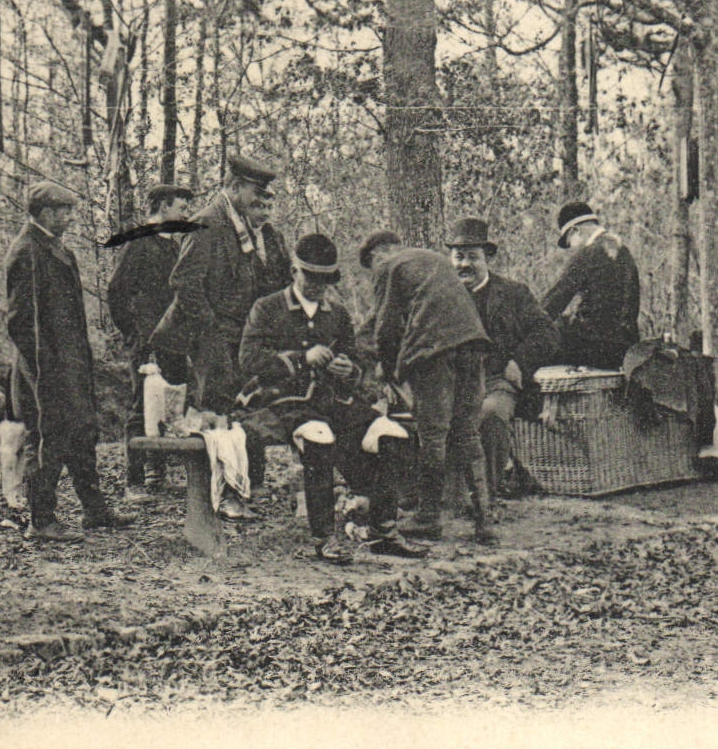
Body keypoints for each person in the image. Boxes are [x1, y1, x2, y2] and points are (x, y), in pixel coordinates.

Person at [238, 233, 429, 564]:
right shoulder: (267, 307)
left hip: (333, 401)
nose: (317, 285)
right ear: (294, 270)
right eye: (310, 276)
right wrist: (301, 357)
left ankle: (382, 531)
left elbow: (357, 366)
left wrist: (346, 368)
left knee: (392, 434)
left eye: (324, 279)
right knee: (319, 437)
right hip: (285, 401)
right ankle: (324, 537)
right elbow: (249, 360)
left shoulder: (337, 314)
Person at [4, 182, 133, 542]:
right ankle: (41, 520)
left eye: (70, 210)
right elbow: (20, 322)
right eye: (63, 211)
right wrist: (43, 370)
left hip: (71, 365)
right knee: (47, 440)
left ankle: (95, 510)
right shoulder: (27, 251)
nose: (70, 217)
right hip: (46, 372)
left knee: (81, 434)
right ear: (43, 212)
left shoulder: (57, 249)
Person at [359, 231, 495, 544]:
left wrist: (390, 370)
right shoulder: (432, 258)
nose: (374, 271)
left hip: (435, 351)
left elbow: (385, 328)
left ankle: (429, 517)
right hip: (473, 343)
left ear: (379, 254)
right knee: (467, 432)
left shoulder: (388, 267)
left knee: (433, 433)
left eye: (372, 264)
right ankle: (485, 519)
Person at [151, 154, 291, 414]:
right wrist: (213, 334)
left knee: (238, 408)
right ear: (235, 187)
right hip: (203, 335)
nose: (259, 200)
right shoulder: (207, 222)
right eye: (255, 192)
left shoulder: (239, 222)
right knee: (215, 409)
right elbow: (185, 283)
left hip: (232, 334)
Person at [446, 216, 558, 498]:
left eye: (473, 257)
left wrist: (518, 361)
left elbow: (547, 333)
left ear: (487, 259)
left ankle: (486, 497)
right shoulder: (441, 295)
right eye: (458, 257)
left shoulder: (512, 293)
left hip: (496, 381)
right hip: (451, 383)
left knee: (491, 416)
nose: (464, 265)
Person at [105, 183, 194, 498]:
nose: (186, 214)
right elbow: (116, 291)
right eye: (182, 208)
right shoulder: (139, 244)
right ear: (164, 207)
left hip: (173, 340)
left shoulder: (174, 246)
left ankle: (157, 473)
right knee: (140, 407)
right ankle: (135, 480)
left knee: (169, 405)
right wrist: (131, 332)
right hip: (146, 343)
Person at [542, 201, 640, 370]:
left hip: (594, 349)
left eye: (569, 241)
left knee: (543, 335)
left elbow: (555, 300)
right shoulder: (625, 252)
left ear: (575, 231)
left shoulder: (588, 254)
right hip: (627, 348)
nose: (572, 248)